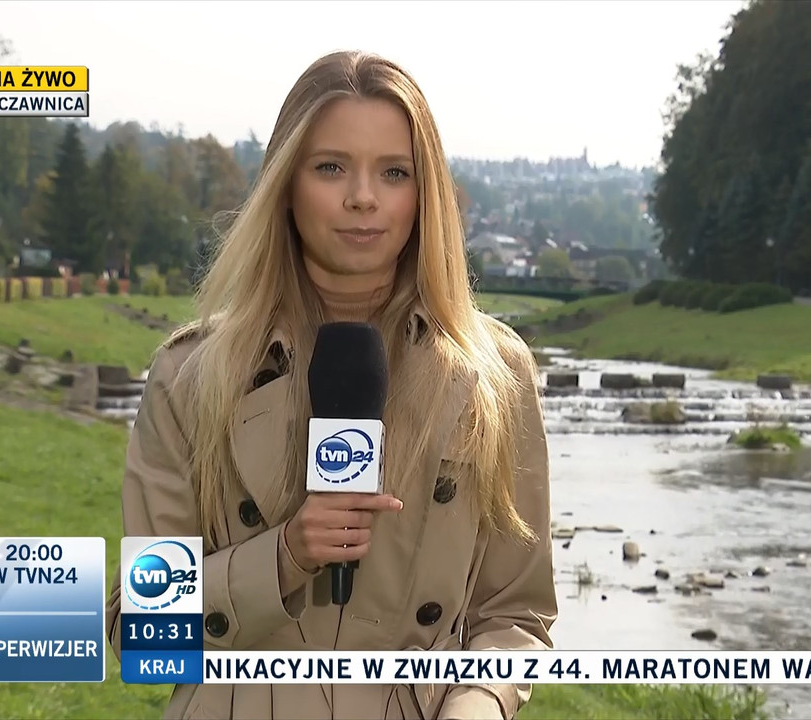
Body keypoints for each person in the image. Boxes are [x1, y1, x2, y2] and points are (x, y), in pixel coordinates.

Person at [105, 50, 557, 720]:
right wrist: (284, 556)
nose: (362, 197)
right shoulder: (191, 376)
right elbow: (142, 633)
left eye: (394, 172)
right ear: (286, 184)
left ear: (425, 194)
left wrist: (478, 705)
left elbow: (514, 617)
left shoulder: (494, 377)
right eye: (331, 167)